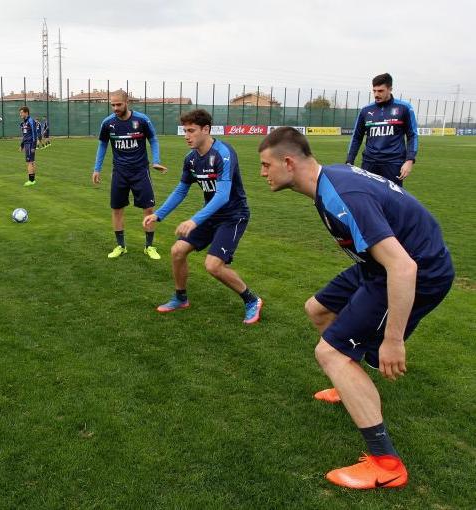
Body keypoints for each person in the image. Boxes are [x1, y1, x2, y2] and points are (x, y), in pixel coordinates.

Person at [258, 127, 454, 489]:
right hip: (377, 267)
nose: (263, 173)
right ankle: (349, 380)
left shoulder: (342, 194)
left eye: (266, 165)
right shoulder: (329, 182)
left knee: (330, 354)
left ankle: (386, 463)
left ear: (288, 162)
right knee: (317, 309)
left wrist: (393, 341)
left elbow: (403, 266)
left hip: (416, 272)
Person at [144, 109, 262, 323]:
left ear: (206, 129)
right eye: (184, 131)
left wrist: (194, 220)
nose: (187, 136)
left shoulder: (223, 153)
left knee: (213, 265)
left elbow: (223, 195)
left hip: (233, 216)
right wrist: (159, 215)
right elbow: (181, 190)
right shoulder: (191, 159)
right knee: (177, 250)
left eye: (191, 131)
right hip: (211, 215)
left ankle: (252, 300)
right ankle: (181, 298)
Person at [92, 89, 166, 260]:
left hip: (141, 171)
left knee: (148, 208)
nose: (115, 108)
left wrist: (156, 160)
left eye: (119, 104)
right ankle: (120, 246)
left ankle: (149, 246)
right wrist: (97, 168)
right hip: (120, 172)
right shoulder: (108, 123)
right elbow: (102, 145)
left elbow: (153, 139)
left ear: (127, 103)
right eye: (112, 105)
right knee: (117, 209)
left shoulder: (142, 120)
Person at [346, 73, 418, 186]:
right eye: (374, 90)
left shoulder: (404, 108)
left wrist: (409, 160)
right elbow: (356, 136)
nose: (376, 94)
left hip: (393, 163)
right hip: (369, 163)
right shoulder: (366, 110)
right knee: (368, 198)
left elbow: (412, 135)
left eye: (380, 91)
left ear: (390, 89)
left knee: (393, 200)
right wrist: (350, 160)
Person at [19, 106, 38, 186]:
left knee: (29, 162)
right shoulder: (24, 122)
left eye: (21, 113)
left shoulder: (31, 121)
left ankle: (31, 180)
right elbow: (25, 135)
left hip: (30, 144)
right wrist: (22, 145)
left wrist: (33, 146)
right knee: (31, 162)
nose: (20, 114)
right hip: (26, 144)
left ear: (26, 112)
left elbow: (34, 134)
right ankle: (33, 180)